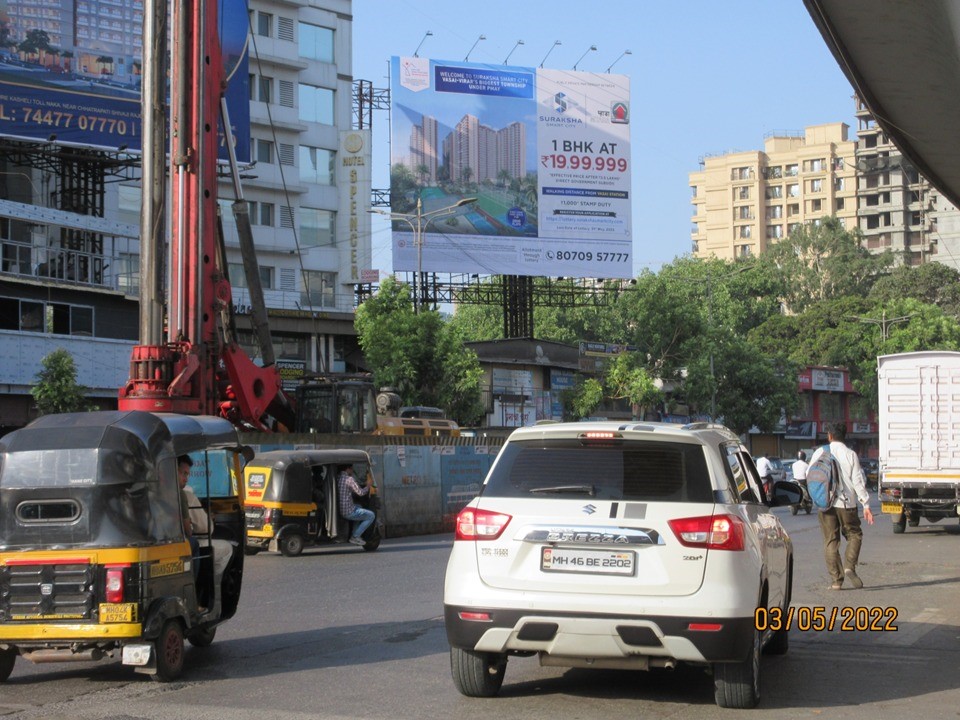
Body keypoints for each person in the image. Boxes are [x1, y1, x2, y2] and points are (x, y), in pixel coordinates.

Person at [809, 423, 874, 590]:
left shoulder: (820, 452)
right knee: (854, 534)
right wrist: (865, 504)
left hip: (826, 504)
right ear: (845, 435)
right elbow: (858, 481)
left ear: (829, 435)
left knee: (831, 541)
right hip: (847, 504)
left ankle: (836, 581)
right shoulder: (850, 454)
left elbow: (810, 476)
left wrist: (817, 498)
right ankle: (849, 566)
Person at [177, 455, 235, 591]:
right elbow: (204, 528)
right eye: (183, 473)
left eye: (187, 474)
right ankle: (209, 591)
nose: (186, 478)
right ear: (173, 470)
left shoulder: (153, 492)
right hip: (179, 544)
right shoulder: (184, 495)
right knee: (227, 548)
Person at [337, 464, 374, 546]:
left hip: (341, 509)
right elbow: (360, 493)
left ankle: (355, 532)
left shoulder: (338, 478)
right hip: (348, 511)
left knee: (359, 506)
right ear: (348, 469)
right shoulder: (349, 479)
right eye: (352, 469)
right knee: (371, 515)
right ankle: (355, 536)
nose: (352, 471)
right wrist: (368, 486)